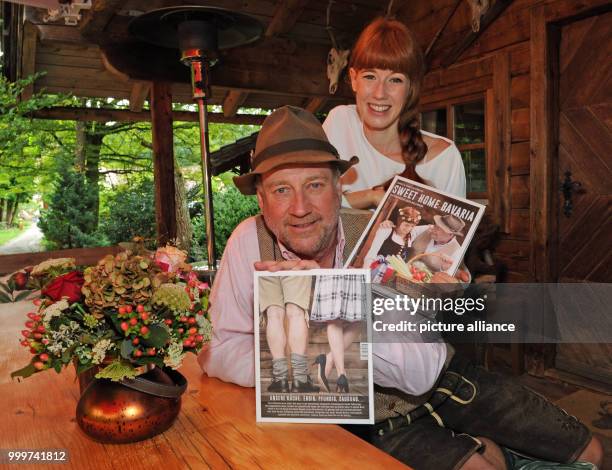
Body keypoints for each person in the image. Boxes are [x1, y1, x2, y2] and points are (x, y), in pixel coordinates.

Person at [198, 105, 603, 470]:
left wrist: (327, 301)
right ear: (262, 200)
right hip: (369, 421)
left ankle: (490, 449)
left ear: (340, 188)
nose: (300, 207)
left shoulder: (381, 241)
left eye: (315, 185)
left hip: (445, 381)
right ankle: (484, 451)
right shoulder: (247, 242)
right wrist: (298, 356)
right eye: (281, 189)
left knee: (593, 454)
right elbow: (218, 349)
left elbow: (421, 373)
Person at [322, 17, 466, 209]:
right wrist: (370, 197)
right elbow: (310, 206)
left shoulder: (443, 160)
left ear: (410, 88)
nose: (380, 93)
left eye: (395, 80)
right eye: (370, 77)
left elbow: (451, 236)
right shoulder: (339, 123)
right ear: (354, 79)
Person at [258, 275, 318, 393]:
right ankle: (300, 380)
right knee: (296, 312)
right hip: (294, 260)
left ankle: (280, 380)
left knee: (273, 313)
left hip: (267, 259)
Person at [309, 273, 367, 393]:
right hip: (353, 271)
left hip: (334, 270)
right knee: (359, 318)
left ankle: (329, 360)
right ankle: (340, 374)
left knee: (337, 317)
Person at [362, 205, 426, 269]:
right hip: (377, 268)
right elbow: (372, 253)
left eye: (412, 226)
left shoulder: (410, 236)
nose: (408, 229)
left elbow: (430, 227)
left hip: (393, 273)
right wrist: (366, 270)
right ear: (399, 221)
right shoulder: (386, 230)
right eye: (406, 225)